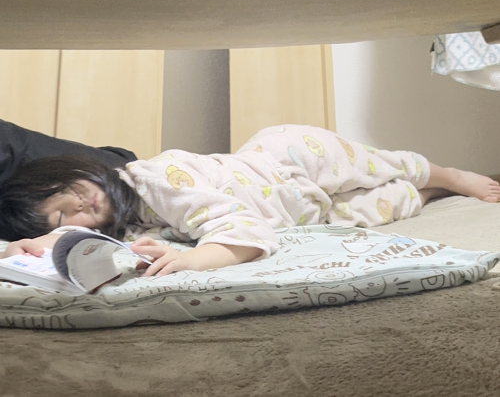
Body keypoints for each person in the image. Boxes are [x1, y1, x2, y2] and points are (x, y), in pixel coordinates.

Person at [1, 124, 499, 277]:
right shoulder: (126, 226)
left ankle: (449, 175)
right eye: (62, 213)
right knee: (385, 208)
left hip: (287, 160)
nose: (78, 204)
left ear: (81, 170)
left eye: (70, 189)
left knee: (374, 164)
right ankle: (431, 192)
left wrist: (194, 259)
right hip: (306, 212)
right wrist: (33, 244)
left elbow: (243, 231)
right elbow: (80, 242)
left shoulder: (153, 181)